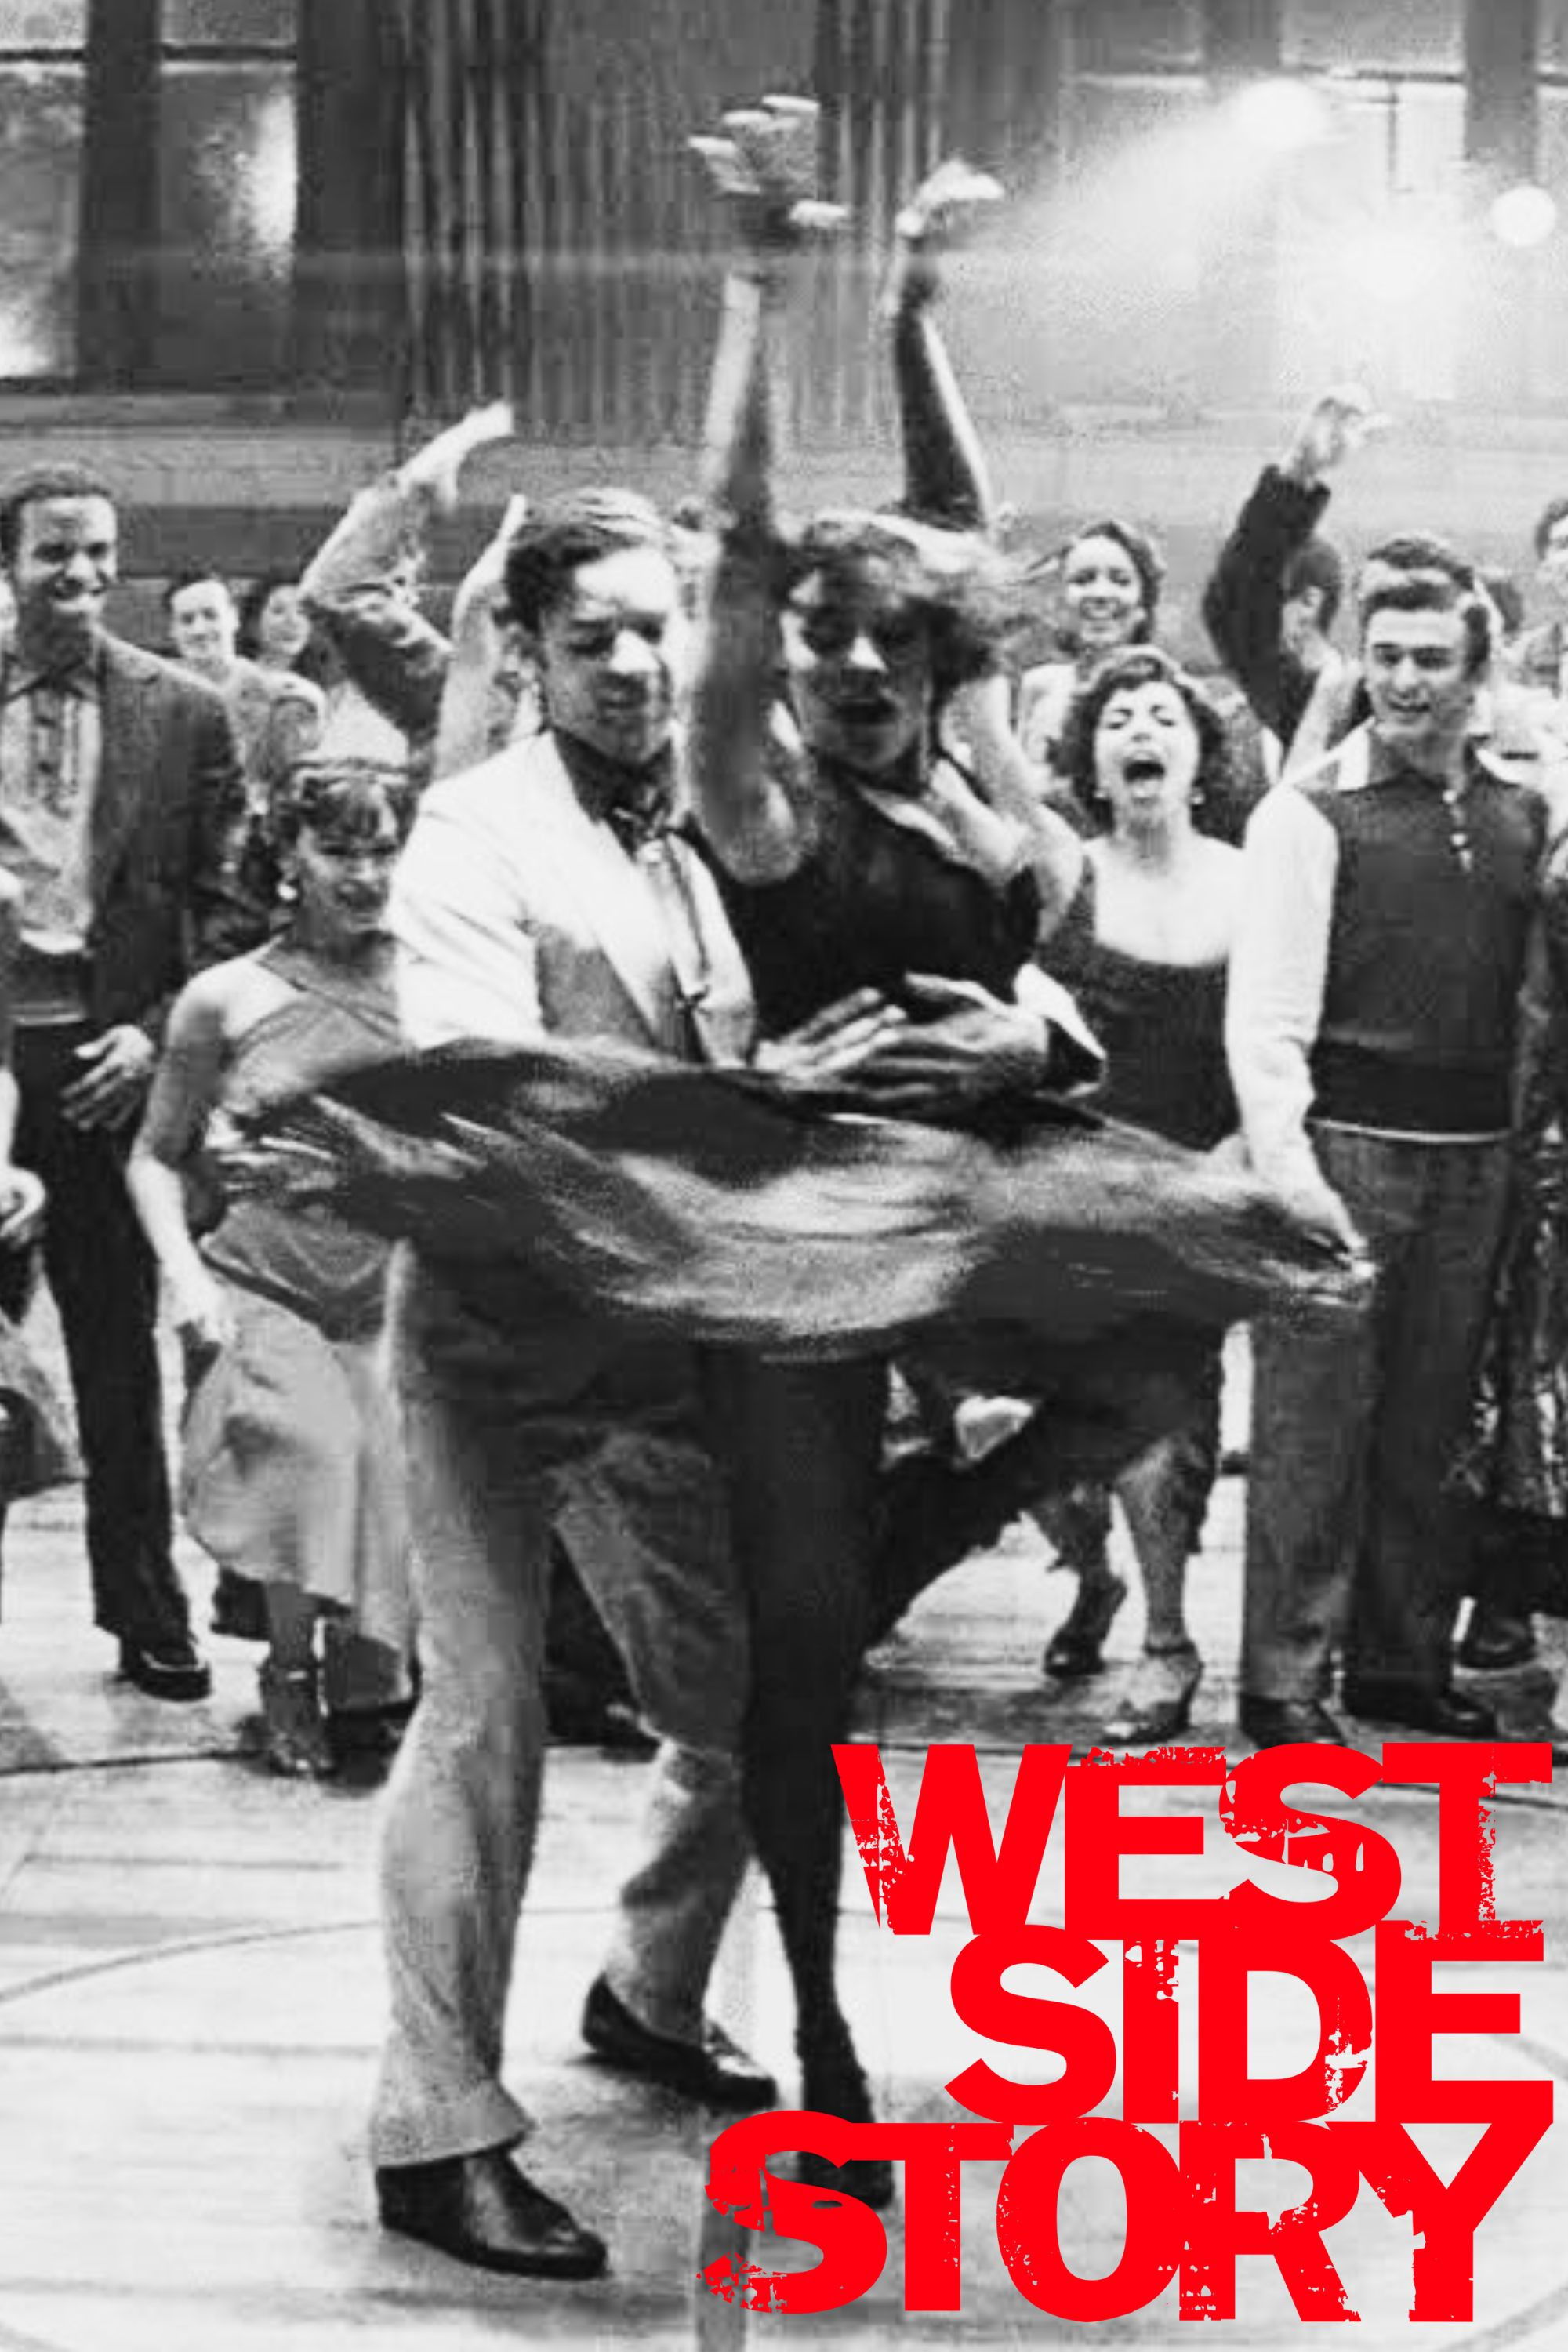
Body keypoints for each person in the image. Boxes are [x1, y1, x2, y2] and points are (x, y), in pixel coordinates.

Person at [367, 487, 775, 2279]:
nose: (627, 661)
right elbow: (482, 1086)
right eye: (588, 633)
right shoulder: (474, 830)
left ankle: (649, 1989)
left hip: (670, 1334)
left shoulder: (724, 819)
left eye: (649, 626)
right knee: (483, 1719)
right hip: (491, 1331)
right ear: (524, 652)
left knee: (756, 1698)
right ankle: (432, 2127)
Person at [1225, 552, 1552, 1749]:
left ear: (1479, 672)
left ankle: (1400, 1663)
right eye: (1387, 658)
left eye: (1432, 660)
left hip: (1479, 1159)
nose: (1406, 681)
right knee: (1312, 1428)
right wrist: (1290, 1174)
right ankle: (1283, 1679)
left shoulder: (1525, 811)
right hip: (1346, 1154)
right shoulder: (1306, 813)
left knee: (1432, 1427)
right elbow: (1265, 1021)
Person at [0, 461, 263, 1700]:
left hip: (111, 1071)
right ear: (10, 565)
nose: (85, 573)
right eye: (57, 551)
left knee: (117, 1358)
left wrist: (158, 1036)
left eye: (101, 551)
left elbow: (236, 909)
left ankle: (148, 1612)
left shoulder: (189, 713)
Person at [127, 759, 416, 1778]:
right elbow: (155, 1157)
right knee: (312, 1447)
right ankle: (289, 1671)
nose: (364, 873)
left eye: (382, 850)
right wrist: (188, 1280)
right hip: (264, 1279)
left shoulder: (439, 978)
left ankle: (367, 1682)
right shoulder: (224, 995)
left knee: (389, 1468)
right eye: (339, 849)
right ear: (287, 858)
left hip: (394, 1288)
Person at [985, 645, 1243, 1742]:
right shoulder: (1062, 870)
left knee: (1157, 1419)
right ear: (1091, 762)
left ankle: (1168, 1643)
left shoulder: (1250, 878)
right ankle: (1092, 1577)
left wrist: (1234, 1160)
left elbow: (1277, 1035)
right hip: (1060, 1197)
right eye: (1119, 718)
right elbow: (996, 774)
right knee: (1014, 1430)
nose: (1142, 730)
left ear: (1198, 757)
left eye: (1164, 716)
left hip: (1193, 1199)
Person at [164, 567, 325, 845]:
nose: (199, 630)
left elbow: (290, 796)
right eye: (187, 620)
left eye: (210, 615)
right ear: (172, 631)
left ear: (234, 618)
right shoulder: (157, 696)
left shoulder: (283, 699)